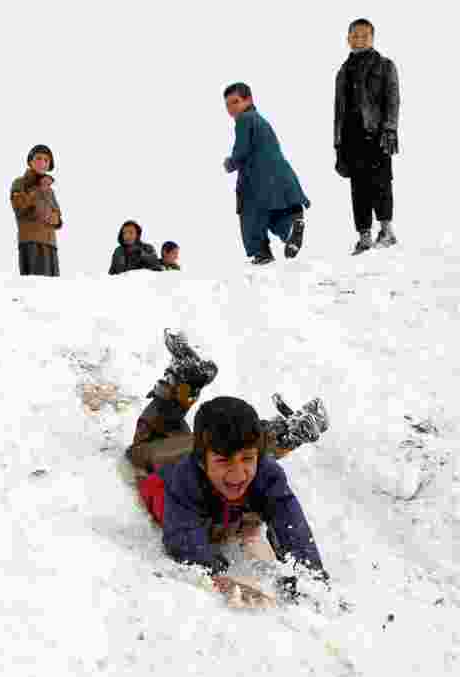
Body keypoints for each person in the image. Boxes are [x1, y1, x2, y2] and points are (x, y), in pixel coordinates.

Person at [126, 330, 330, 605]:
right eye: (224, 462)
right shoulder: (184, 479)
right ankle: (284, 432)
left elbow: (287, 517)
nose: (237, 475)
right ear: (200, 461)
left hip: (210, 447)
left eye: (247, 460)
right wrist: (218, 572)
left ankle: (185, 383)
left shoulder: (263, 470)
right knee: (144, 445)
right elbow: (183, 539)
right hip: (168, 456)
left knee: (238, 444)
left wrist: (309, 575)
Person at [223, 83, 310, 265]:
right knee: (274, 213)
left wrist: (230, 163)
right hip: (281, 176)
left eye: (235, 102)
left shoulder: (244, 120)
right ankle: (290, 230)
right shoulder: (260, 120)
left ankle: (261, 252)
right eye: (228, 105)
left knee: (250, 214)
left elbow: (241, 151)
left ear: (249, 100)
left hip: (258, 178)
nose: (231, 109)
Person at [334, 18, 401, 255]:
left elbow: (393, 100)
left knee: (381, 182)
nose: (359, 39)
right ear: (348, 38)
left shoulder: (385, 65)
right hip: (351, 137)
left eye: (364, 35)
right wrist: (337, 144)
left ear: (372, 38)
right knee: (358, 187)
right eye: (354, 35)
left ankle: (387, 231)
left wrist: (390, 129)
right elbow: (338, 111)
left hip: (377, 134)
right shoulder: (343, 71)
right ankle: (364, 236)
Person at [10, 144, 63, 276]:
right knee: (34, 286)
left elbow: (57, 213)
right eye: (38, 158)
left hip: (50, 244)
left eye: (46, 160)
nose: (42, 163)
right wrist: (38, 189)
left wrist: (56, 219)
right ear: (30, 161)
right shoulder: (20, 182)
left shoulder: (50, 191)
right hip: (31, 243)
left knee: (52, 287)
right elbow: (19, 207)